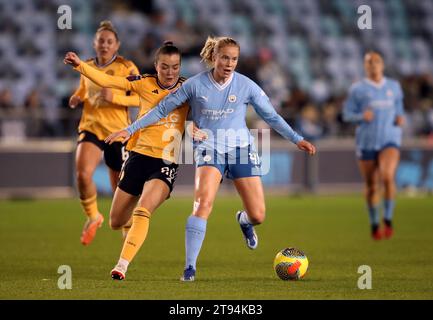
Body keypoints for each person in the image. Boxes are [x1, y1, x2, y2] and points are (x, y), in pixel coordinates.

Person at [69, 36, 316, 282]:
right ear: (214, 58)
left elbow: (271, 116)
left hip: (238, 148)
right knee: (201, 204)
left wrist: (296, 138)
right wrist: (131, 129)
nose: (229, 63)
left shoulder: (246, 86)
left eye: (234, 59)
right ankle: (190, 268)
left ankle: (244, 220)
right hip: (207, 149)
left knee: (258, 215)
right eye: (225, 58)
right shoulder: (193, 85)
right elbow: (161, 109)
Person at [64, 42, 189, 280]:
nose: (170, 72)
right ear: (156, 66)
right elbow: (110, 82)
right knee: (116, 221)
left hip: (165, 161)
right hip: (137, 157)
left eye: (175, 67)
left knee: (144, 209)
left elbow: (210, 103)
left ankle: (122, 264)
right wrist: (81, 66)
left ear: (180, 67)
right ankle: (124, 230)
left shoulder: (188, 88)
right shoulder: (144, 82)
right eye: (165, 67)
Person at [68, 21, 139, 246]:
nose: (105, 45)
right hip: (90, 126)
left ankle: (126, 227)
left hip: (117, 132)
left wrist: (116, 98)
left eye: (109, 41)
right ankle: (93, 216)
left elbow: (140, 98)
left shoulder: (127, 68)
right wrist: (78, 97)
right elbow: (83, 88)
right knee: (82, 174)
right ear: (94, 43)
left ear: (117, 45)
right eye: (101, 41)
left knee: (118, 186)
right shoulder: (87, 65)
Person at [343, 51, 405, 240]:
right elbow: (347, 114)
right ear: (365, 66)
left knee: (387, 176)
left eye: (376, 61)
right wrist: (361, 116)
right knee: (371, 185)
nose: (373, 65)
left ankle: (387, 219)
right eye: (369, 62)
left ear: (382, 65)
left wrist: (401, 118)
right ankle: (374, 224)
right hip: (367, 141)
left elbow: (400, 109)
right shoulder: (357, 89)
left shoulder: (394, 87)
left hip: (390, 139)